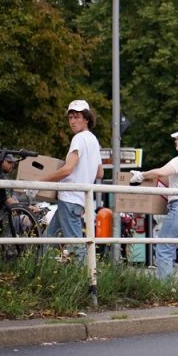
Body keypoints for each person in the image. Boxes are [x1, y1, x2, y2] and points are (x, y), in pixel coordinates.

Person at [131, 126, 178, 283]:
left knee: (164, 248)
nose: (175, 141)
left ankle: (165, 289)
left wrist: (141, 176)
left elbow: (161, 172)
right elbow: (171, 179)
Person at [41, 100, 103, 261]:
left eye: (77, 117)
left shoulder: (79, 139)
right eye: (70, 117)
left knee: (76, 246)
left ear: (86, 119)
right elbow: (100, 173)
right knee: (48, 241)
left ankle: (86, 276)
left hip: (69, 197)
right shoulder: (94, 140)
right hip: (79, 200)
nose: (73, 121)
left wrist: (41, 181)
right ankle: (43, 270)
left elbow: (67, 169)